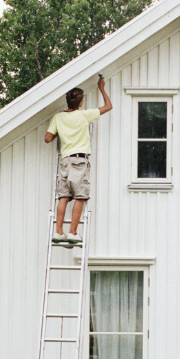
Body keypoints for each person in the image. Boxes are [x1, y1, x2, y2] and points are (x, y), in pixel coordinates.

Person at [45, 76, 113, 243]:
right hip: (79, 160)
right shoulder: (84, 115)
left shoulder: (58, 117)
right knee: (80, 196)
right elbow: (108, 106)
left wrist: (59, 132)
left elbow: (47, 138)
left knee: (64, 196)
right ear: (80, 102)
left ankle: (58, 231)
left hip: (65, 160)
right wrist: (102, 88)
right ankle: (73, 232)